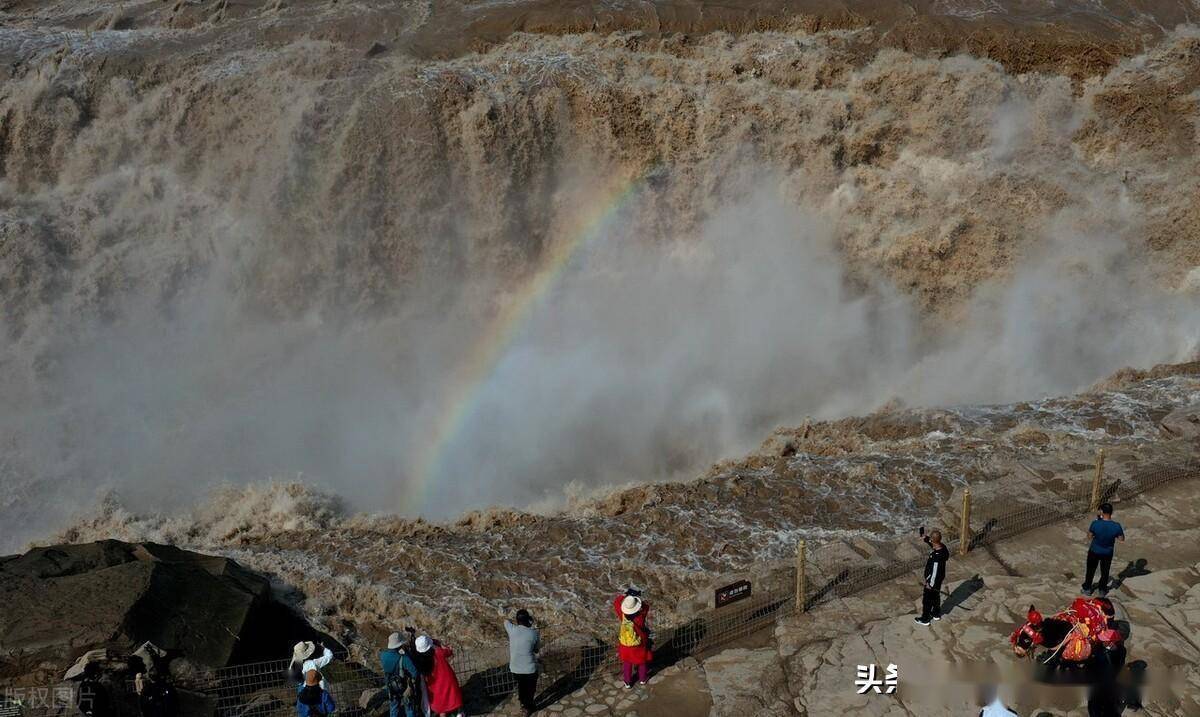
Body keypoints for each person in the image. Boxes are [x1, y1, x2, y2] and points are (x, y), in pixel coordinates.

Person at [1083, 503, 1125, 596]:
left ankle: (1087, 588)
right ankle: (1102, 590)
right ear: (1111, 512)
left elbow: (1089, 536)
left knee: (1090, 570)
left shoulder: (1095, 523)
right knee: (1105, 571)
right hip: (1107, 552)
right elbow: (1121, 539)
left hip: (1094, 550)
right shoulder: (1116, 526)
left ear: (1101, 511)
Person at [504, 609, 541, 716]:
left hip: (515, 668)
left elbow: (505, 621)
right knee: (530, 689)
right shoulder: (534, 633)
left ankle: (523, 704)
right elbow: (536, 650)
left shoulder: (512, 629)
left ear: (517, 620)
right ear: (528, 620)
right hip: (529, 669)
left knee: (521, 685)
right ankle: (528, 708)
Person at [613, 589, 652, 688]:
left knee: (627, 663)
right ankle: (642, 679)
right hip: (639, 643)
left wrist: (625, 595)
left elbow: (616, 602)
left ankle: (627, 682)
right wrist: (637, 598)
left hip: (626, 644)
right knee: (642, 661)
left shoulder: (622, 615)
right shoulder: (640, 617)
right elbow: (646, 607)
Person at [380, 631, 423, 717]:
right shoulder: (404, 658)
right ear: (399, 645)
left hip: (390, 685)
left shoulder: (382, 655)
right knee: (409, 707)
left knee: (394, 707)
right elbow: (415, 672)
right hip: (403, 686)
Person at [420, 636, 463, 717]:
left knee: (441, 705)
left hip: (433, 685)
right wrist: (440, 644)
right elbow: (449, 651)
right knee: (454, 697)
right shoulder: (438, 652)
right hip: (447, 680)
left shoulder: (421, 660)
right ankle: (459, 712)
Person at [914, 528, 949, 626]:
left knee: (927, 600)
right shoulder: (943, 548)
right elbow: (934, 543)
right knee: (936, 596)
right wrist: (926, 538)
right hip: (940, 578)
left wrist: (929, 584)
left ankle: (925, 619)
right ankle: (936, 613)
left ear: (934, 541)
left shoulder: (936, 557)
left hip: (933, 581)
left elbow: (934, 572)